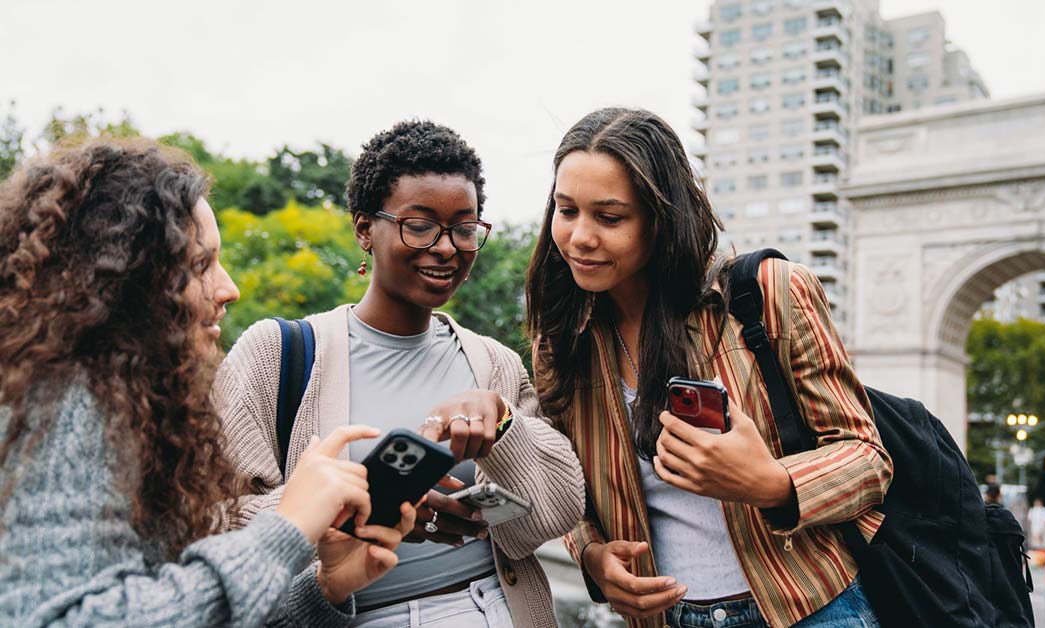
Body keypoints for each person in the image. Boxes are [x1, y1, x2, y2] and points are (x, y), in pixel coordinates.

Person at [0, 140, 416, 626]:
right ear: (123, 286)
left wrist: (323, 587)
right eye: (201, 265)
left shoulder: (133, 405)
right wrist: (286, 531)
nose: (229, 289)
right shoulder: (64, 405)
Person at [526, 108, 891, 628]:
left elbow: (867, 459)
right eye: (566, 210)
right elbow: (570, 489)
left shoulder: (767, 294)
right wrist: (591, 556)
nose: (580, 237)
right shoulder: (562, 343)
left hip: (812, 608)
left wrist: (771, 483)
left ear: (661, 220)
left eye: (609, 217)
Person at [215, 120, 585, 628]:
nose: (447, 247)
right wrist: (356, 504)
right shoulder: (276, 354)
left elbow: (554, 513)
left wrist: (503, 431)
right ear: (365, 227)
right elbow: (211, 529)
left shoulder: (492, 361)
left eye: (464, 227)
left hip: (495, 609)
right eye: (420, 225)